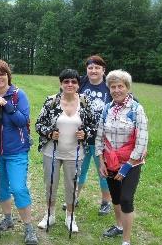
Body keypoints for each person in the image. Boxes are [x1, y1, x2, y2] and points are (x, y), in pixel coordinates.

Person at [0, 59, 38, 245]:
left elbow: (23, 121)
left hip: (16, 150)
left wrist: (6, 106)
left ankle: (28, 227)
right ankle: (8, 218)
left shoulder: (19, 95)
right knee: (0, 188)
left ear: (8, 75)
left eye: (2, 73)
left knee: (18, 188)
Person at [35, 69, 97, 233]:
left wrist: (85, 134)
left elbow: (93, 126)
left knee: (72, 185)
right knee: (50, 184)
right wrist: (49, 133)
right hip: (52, 152)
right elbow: (38, 124)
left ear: (78, 84)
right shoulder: (51, 101)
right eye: (66, 81)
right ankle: (50, 215)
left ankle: (70, 217)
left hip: (75, 153)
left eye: (73, 82)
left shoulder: (85, 102)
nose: (70, 84)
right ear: (61, 83)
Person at [96, 70, 148, 245]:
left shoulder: (136, 109)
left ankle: (126, 240)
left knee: (126, 199)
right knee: (116, 197)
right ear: (109, 89)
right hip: (110, 161)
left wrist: (128, 165)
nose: (117, 90)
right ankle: (119, 226)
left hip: (131, 163)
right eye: (113, 86)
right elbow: (100, 136)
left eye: (120, 86)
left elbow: (142, 139)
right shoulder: (107, 108)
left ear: (127, 87)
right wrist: (101, 161)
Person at [76, 55, 113, 215]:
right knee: (79, 170)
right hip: (82, 136)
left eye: (97, 68)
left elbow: (126, 98)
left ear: (103, 70)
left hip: (102, 138)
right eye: (90, 67)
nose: (93, 71)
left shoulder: (110, 85)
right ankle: (73, 198)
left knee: (103, 172)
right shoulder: (81, 82)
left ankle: (106, 202)